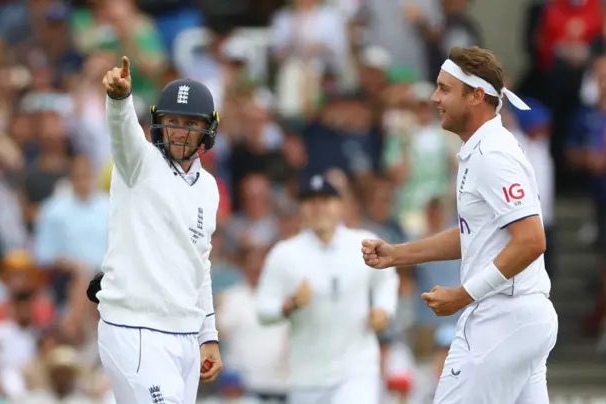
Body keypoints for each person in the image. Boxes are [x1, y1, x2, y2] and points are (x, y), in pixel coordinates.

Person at [361, 46, 558, 404]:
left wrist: (462, 295)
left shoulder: (492, 154)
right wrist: (396, 255)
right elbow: (475, 234)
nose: (435, 98)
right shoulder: (480, 150)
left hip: (502, 319)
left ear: (476, 95)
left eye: (444, 88)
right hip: (519, 319)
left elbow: (531, 241)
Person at [89, 56, 223, 403]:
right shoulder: (138, 162)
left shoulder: (208, 188)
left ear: (208, 128)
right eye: (172, 121)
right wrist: (119, 100)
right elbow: (123, 134)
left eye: (191, 123)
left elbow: (200, 264)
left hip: (185, 335)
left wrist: (208, 335)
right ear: (157, 123)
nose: (180, 131)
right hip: (135, 329)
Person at [256, 174, 399, 404]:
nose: (318, 208)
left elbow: (387, 278)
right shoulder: (285, 254)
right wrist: (290, 305)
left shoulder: (363, 243)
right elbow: (263, 310)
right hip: (306, 378)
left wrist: (383, 309)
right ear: (302, 208)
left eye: (326, 201)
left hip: (357, 371)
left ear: (340, 205)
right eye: (311, 202)